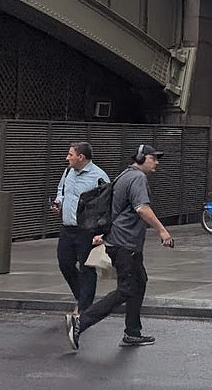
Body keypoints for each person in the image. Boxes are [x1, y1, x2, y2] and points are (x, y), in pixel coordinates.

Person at [67, 144, 174, 351]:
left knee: (139, 281)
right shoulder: (137, 178)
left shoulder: (124, 175)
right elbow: (142, 208)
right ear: (142, 158)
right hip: (126, 243)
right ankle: (81, 322)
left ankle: (132, 332)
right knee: (126, 289)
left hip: (120, 241)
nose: (157, 163)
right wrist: (162, 230)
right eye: (154, 158)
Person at [51, 142, 107, 314]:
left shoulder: (99, 177)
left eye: (70, 154)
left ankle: (84, 308)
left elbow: (107, 204)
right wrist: (58, 202)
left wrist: (103, 232)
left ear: (81, 157)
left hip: (87, 230)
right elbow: (62, 189)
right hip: (67, 228)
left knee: (86, 268)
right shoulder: (68, 171)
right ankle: (81, 296)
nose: (67, 158)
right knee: (65, 263)